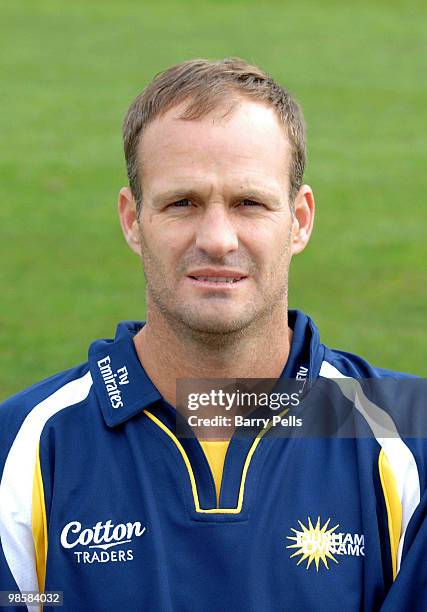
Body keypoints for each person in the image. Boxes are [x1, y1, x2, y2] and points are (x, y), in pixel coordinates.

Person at [0, 58, 425, 612]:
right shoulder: (24, 448)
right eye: (183, 203)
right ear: (133, 219)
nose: (219, 239)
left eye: (249, 203)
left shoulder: (409, 438)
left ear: (299, 219)